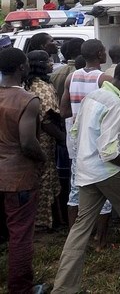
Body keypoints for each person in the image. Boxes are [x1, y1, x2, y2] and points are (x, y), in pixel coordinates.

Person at [53, 61, 120, 293]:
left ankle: (63, 287)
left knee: (81, 227)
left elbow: (75, 130)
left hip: (86, 170)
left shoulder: (93, 96)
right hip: (109, 171)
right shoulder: (116, 103)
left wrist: (82, 159)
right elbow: (109, 150)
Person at [0, 47, 46, 294]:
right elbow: (28, 143)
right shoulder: (27, 100)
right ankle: (20, 288)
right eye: (26, 62)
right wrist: (43, 157)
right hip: (18, 178)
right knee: (20, 236)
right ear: (21, 68)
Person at [60, 39, 113, 248]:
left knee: (75, 189)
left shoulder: (71, 77)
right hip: (98, 141)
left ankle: (76, 240)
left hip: (76, 142)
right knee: (104, 189)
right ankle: (100, 240)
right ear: (100, 54)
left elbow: (63, 111)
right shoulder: (104, 79)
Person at [23, 51, 63, 231]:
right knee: (45, 176)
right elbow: (47, 120)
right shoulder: (43, 88)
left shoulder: (28, 84)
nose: (51, 63)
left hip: (33, 136)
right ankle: (42, 222)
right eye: (48, 60)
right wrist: (63, 138)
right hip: (44, 139)